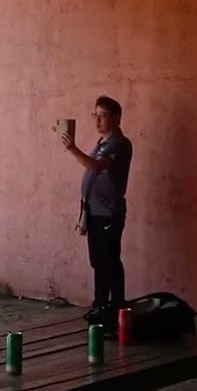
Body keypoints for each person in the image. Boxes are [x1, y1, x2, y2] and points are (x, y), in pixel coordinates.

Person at [60, 96, 133, 310]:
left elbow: (97, 167)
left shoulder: (119, 144)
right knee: (98, 262)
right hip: (94, 211)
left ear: (117, 118)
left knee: (109, 260)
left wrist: (72, 148)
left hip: (108, 213)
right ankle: (101, 305)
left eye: (102, 116)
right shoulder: (102, 143)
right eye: (95, 115)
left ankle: (116, 305)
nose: (97, 121)